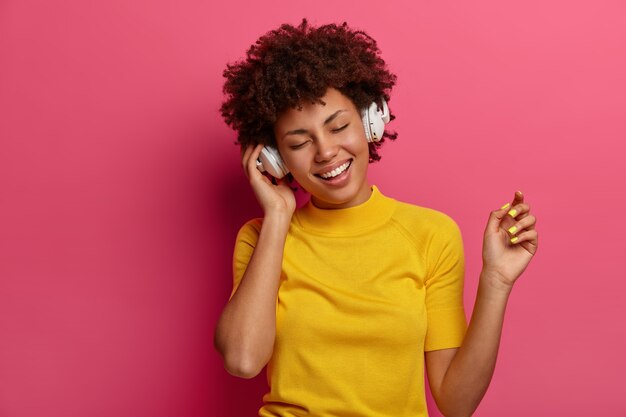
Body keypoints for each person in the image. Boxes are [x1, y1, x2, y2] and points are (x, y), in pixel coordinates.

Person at [214, 18, 538, 417]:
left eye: (339, 127)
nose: (326, 152)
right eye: (299, 143)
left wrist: (496, 282)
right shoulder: (260, 237)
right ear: (275, 160)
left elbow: (456, 404)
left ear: (371, 121)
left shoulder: (431, 234)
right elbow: (243, 361)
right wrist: (278, 219)